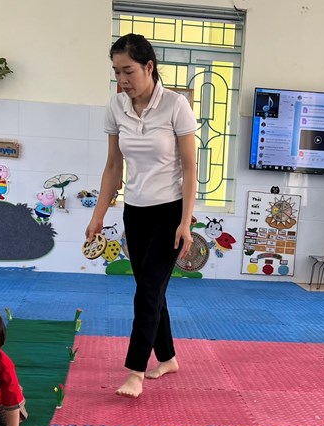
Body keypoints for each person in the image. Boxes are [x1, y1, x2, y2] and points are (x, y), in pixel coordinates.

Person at [84, 33, 196, 399]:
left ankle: (135, 371)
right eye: (116, 72)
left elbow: (191, 168)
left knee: (147, 290)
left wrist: (186, 222)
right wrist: (98, 215)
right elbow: (113, 165)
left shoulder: (176, 105)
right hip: (135, 212)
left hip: (170, 212)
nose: (122, 80)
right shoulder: (116, 106)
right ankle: (168, 357)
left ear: (149, 67)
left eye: (128, 71)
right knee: (151, 289)